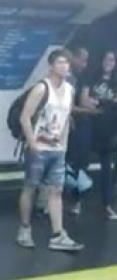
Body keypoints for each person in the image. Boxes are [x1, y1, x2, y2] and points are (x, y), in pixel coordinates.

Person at [15, 49, 83, 252]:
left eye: (68, 63)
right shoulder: (41, 88)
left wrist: (64, 145)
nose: (65, 66)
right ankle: (25, 229)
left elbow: (66, 119)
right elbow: (25, 117)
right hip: (39, 147)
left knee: (56, 191)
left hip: (57, 149)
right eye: (61, 62)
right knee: (31, 187)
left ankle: (57, 234)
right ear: (52, 66)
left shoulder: (70, 90)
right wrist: (32, 143)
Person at [76, 50, 117, 220]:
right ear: (101, 60)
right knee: (82, 162)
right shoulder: (91, 77)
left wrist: (98, 103)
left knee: (107, 167)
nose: (109, 62)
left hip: (107, 128)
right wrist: (105, 105)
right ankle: (77, 200)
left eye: (112, 59)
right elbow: (83, 100)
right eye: (106, 58)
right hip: (89, 124)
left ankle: (107, 204)